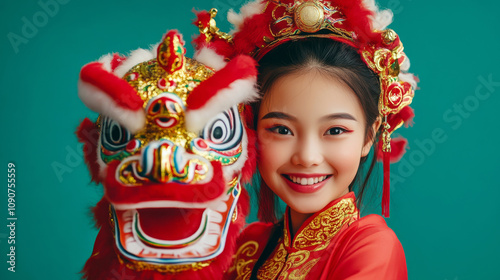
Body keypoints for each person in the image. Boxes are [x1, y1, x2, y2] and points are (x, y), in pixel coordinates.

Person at [192, 0, 417, 279]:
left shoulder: (370, 247)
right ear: (250, 131)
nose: (307, 157)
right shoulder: (245, 246)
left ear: (369, 136)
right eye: (282, 130)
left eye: (335, 131)